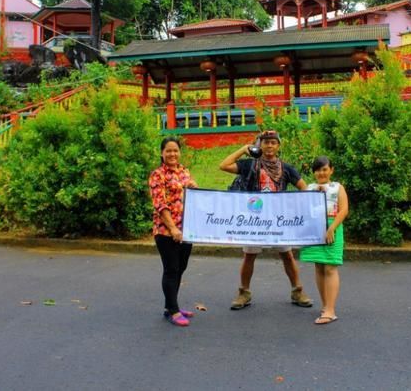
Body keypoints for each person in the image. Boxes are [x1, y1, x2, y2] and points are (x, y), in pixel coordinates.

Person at [219, 130, 314, 310]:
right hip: (255, 221)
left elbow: (304, 188)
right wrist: (244, 149)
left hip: (278, 221)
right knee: (249, 256)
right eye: (266, 142)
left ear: (278, 146)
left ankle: (297, 291)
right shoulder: (250, 165)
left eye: (273, 142)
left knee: (287, 255)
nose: (269, 145)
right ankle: (244, 293)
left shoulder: (286, 169)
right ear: (259, 145)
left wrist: (311, 202)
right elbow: (224, 165)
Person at [149, 137, 198, 327]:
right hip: (166, 231)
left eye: (175, 150)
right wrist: (172, 228)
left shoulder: (184, 171)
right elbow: (160, 205)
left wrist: (194, 187)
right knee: (171, 269)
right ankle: (173, 311)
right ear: (162, 153)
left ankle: (170, 306)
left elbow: (191, 197)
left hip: (187, 230)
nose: (172, 154)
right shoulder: (157, 175)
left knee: (180, 268)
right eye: (168, 150)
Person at [299, 156, 349, 325]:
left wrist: (331, 228)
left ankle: (331, 311)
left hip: (332, 227)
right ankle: (326, 306)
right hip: (314, 228)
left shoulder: (338, 187)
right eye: (318, 170)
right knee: (319, 266)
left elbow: (344, 210)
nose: (321, 173)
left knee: (330, 267)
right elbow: (304, 210)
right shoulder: (309, 188)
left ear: (331, 170)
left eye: (324, 169)